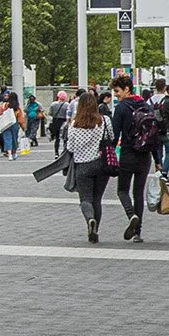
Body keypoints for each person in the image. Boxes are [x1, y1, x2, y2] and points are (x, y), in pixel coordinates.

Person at [107, 75, 154, 242]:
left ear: (126, 89)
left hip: (127, 154)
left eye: (117, 91)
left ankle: (131, 215)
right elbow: (153, 133)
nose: (116, 94)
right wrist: (158, 161)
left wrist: (109, 152)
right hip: (145, 155)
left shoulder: (121, 108)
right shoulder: (146, 106)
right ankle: (137, 233)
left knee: (122, 190)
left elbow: (114, 135)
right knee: (138, 193)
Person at [61, 91, 110, 243]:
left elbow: (70, 147)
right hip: (101, 164)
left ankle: (90, 219)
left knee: (85, 199)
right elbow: (111, 138)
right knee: (97, 199)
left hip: (82, 165)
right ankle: (96, 229)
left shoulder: (74, 124)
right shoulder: (104, 120)